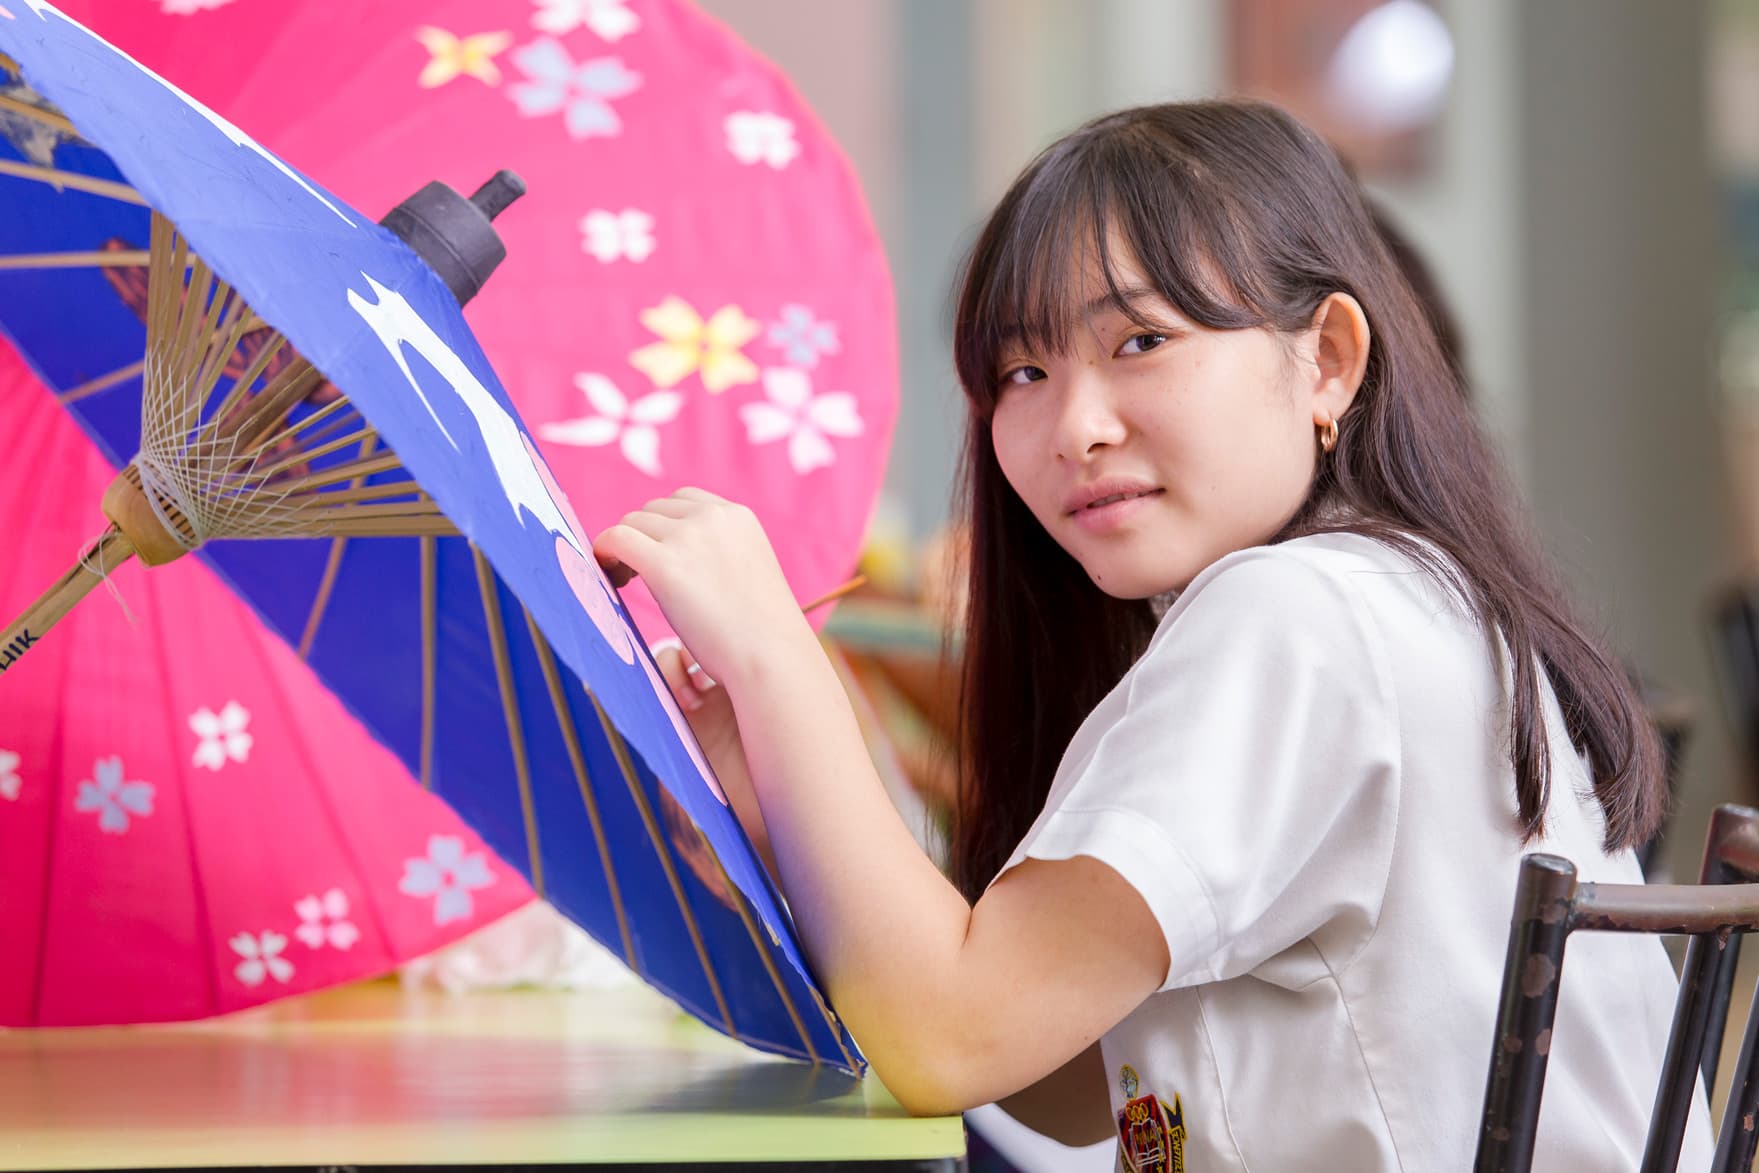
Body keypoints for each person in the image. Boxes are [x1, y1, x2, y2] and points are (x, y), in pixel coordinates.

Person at [593, 100, 1709, 1169]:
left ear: (1324, 359)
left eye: (1140, 341)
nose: (1073, 426)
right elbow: (1059, 1073)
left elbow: (955, 1040)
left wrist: (776, 659)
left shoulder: (1298, 618)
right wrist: (777, 785)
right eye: (1022, 372)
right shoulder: (1397, 592)